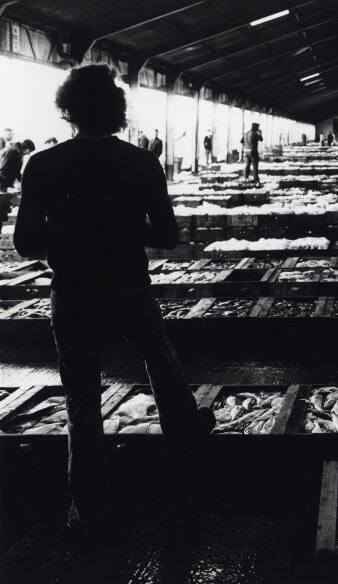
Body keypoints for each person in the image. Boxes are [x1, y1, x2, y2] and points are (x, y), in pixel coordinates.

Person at [13, 64, 214, 538]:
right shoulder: (142, 163)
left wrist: (68, 227)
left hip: (74, 291)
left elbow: (24, 243)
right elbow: (166, 235)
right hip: (128, 285)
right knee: (158, 356)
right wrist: (122, 225)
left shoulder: (42, 164)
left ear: (67, 110)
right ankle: (189, 454)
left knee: (81, 398)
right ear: (117, 110)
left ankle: (88, 508)